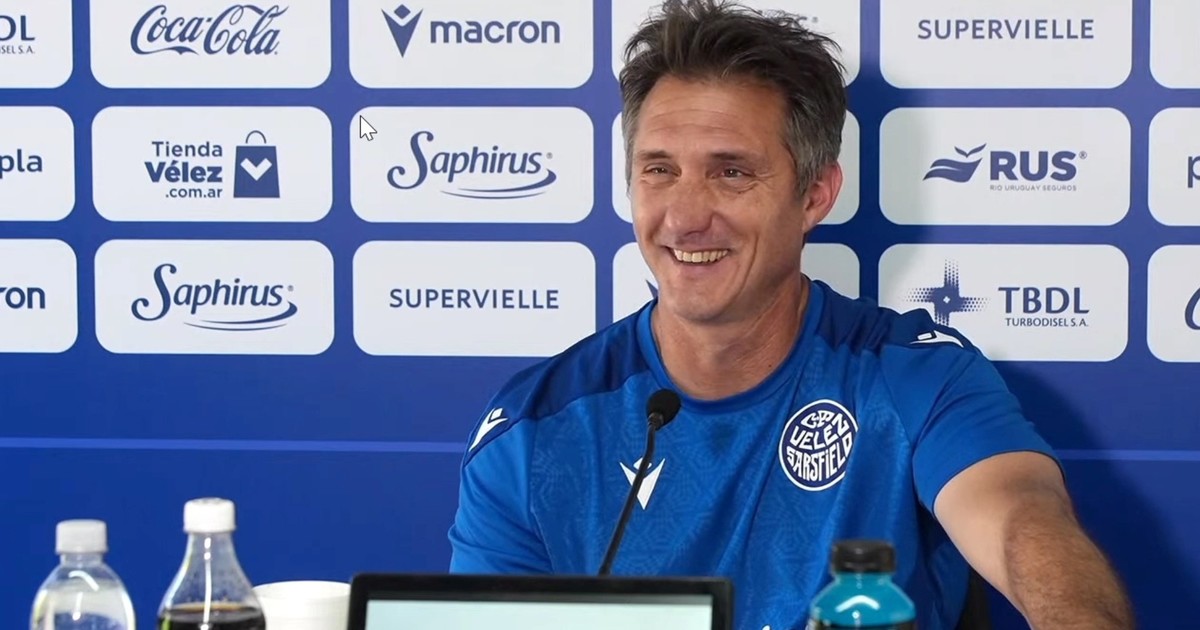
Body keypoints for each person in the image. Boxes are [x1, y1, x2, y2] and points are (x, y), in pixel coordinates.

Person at [447, 1, 1135, 628]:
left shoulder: (914, 377)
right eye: (659, 170)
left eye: (731, 172)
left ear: (814, 195)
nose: (684, 218)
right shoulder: (534, 426)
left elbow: (1023, 519)